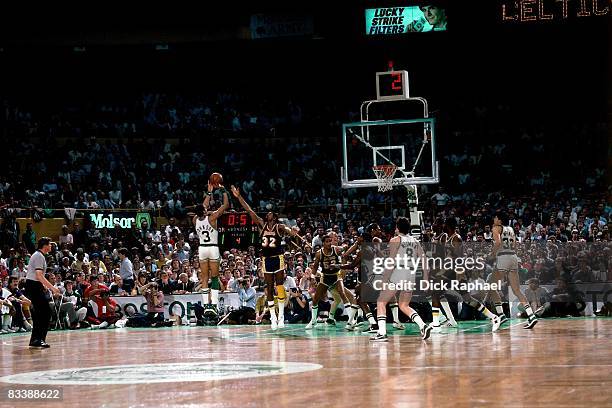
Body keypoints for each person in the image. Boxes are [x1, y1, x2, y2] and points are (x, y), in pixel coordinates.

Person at [232, 185, 309, 329]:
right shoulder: (261, 225)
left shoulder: (279, 227)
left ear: (274, 215)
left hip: (278, 257)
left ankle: (280, 316)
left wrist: (295, 233)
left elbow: (291, 232)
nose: (268, 214)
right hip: (266, 260)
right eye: (266, 213)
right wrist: (238, 197)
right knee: (268, 287)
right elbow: (249, 210)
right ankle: (273, 316)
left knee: (279, 286)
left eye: (270, 213)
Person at [371, 217, 433, 342]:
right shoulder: (415, 241)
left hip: (399, 271)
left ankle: (382, 333)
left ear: (397, 228)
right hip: (411, 274)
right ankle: (422, 325)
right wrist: (426, 278)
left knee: (381, 302)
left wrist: (385, 279)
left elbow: (391, 261)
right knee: (404, 305)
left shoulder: (395, 240)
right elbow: (424, 259)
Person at [489, 213, 538, 329]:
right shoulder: (510, 229)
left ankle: (501, 315)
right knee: (517, 290)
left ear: (499, 220)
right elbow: (515, 245)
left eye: (495, 217)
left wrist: (491, 254)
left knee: (491, 287)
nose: (494, 219)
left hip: (503, 257)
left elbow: (498, 243)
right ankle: (531, 316)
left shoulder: (496, 228)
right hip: (513, 257)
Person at [305, 233, 355, 330]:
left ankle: (351, 320)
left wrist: (344, 246)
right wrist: (312, 276)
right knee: (315, 299)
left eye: (330, 241)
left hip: (336, 276)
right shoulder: (319, 253)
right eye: (327, 242)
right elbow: (315, 267)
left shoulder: (336, 249)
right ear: (323, 243)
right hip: (325, 277)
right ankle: (313, 320)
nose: (329, 243)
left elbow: (345, 247)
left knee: (342, 293)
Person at [193, 181, 229, 312]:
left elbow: (203, 206)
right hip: (212, 248)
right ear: (204, 210)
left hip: (202, 248)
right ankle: (213, 304)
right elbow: (225, 205)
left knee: (204, 277)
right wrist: (223, 191)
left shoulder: (195, 220)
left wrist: (209, 193)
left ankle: (205, 305)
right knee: (214, 277)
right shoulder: (212, 218)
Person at [24, 237, 60, 348]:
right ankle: (38, 339)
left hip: (34, 285)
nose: (51, 246)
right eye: (50, 244)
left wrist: (43, 285)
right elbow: (39, 275)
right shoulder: (39, 256)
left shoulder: (39, 255)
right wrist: (52, 288)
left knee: (40, 313)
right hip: (33, 285)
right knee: (45, 312)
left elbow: (38, 276)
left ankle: (36, 339)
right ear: (44, 245)